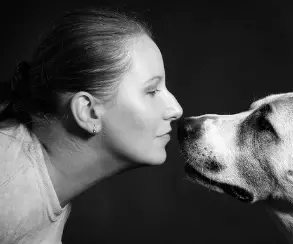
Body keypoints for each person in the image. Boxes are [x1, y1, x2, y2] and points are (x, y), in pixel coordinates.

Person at [0, 7, 183, 244]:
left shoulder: (31, 190)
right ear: (87, 112)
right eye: (152, 91)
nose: (176, 109)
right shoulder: (9, 197)